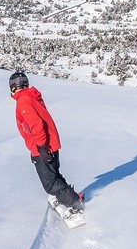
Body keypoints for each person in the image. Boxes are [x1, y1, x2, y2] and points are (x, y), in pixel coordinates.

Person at [10, 70, 84, 218]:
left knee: (50, 183)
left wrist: (42, 148)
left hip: (42, 146)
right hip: (50, 143)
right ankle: (71, 197)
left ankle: (76, 205)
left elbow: (36, 124)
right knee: (54, 175)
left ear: (13, 88)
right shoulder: (32, 97)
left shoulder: (23, 101)